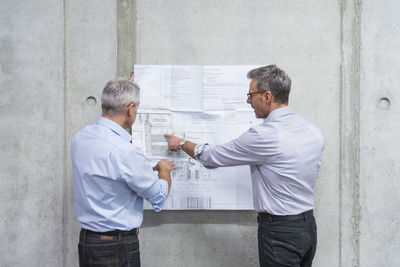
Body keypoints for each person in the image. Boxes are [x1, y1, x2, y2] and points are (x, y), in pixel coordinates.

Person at [165, 65, 324, 267]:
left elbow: (212, 157)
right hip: (307, 227)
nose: (248, 101)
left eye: (251, 95)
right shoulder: (312, 130)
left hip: (279, 232)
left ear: (267, 96)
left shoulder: (265, 135)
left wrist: (181, 143)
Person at [71, 78, 175, 267]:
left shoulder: (80, 138)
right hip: (117, 245)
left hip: (87, 241)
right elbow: (158, 196)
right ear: (130, 108)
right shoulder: (125, 151)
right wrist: (164, 170)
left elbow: (108, 174)